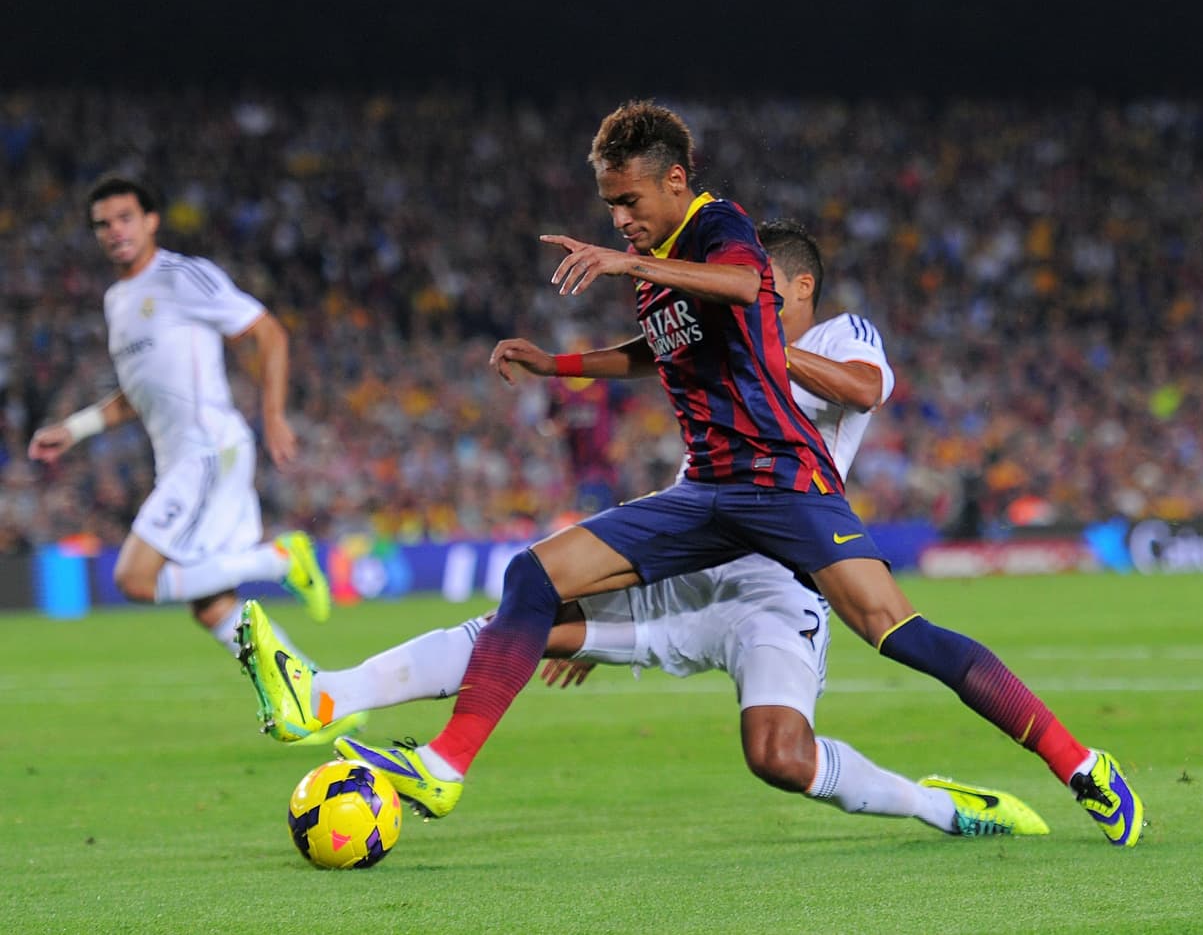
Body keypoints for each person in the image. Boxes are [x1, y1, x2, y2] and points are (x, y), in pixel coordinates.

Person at [259, 102, 1141, 846]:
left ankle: (1080, 765)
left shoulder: (726, 234)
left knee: (893, 631)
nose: (619, 220)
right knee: (534, 576)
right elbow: (656, 350)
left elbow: (751, 291)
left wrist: (635, 263)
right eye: (610, 207)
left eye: (628, 201)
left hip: (783, 490)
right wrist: (556, 365)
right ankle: (441, 761)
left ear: (675, 181)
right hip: (706, 498)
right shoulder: (662, 279)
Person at [28, 175, 337, 680]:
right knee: (212, 607)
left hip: (208, 452)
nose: (115, 231)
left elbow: (268, 333)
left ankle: (280, 561)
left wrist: (274, 415)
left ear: (151, 221)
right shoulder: (117, 300)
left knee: (134, 578)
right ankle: (315, 695)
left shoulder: (182, 276)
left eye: (125, 218)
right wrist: (75, 428)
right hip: (179, 460)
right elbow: (137, 393)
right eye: (102, 224)